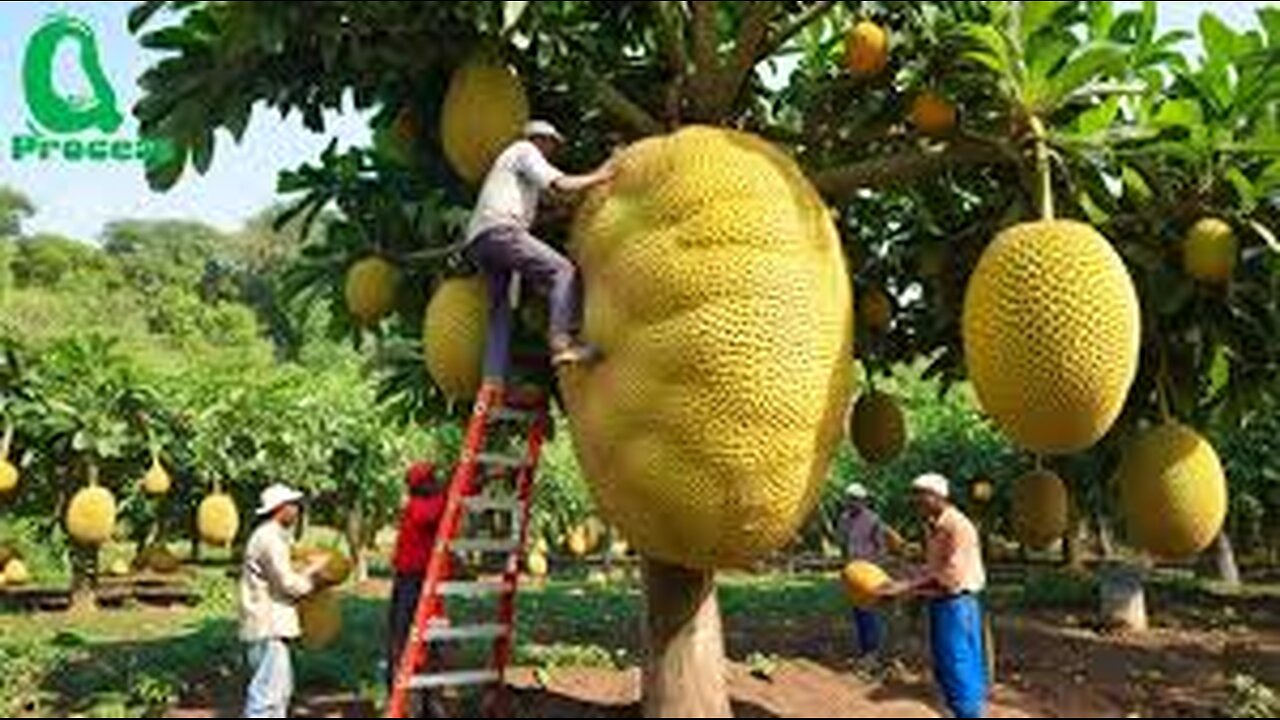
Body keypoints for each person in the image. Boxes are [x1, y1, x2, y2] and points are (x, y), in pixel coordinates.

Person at [463, 120, 616, 379]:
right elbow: (562, 185)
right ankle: (562, 343)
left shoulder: (511, 167)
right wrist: (604, 173)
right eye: (552, 144)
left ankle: (493, 379)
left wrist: (567, 208)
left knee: (501, 311)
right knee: (561, 271)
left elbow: (559, 199)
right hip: (502, 232)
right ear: (540, 140)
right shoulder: (525, 150)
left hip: (480, 240)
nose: (552, 151)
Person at [881, 473, 989, 718]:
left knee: (958, 658)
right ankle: (957, 707)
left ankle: (968, 712)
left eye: (920, 495)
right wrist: (908, 581)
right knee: (946, 659)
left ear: (937, 496)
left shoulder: (957, 525)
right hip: (943, 601)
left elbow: (952, 575)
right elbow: (934, 569)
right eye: (915, 496)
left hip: (957, 601)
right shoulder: (935, 525)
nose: (916, 501)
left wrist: (907, 587)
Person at [239, 483, 326, 718]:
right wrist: (314, 578)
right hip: (268, 627)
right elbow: (287, 584)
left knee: (279, 694)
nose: (297, 510)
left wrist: (307, 569)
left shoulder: (274, 536)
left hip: (272, 627)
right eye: (292, 505)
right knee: (266, 698)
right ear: (279, 508)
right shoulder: (269, 539)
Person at [387, 462, 447, 697]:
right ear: (421, 486)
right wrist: (453, 489)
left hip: (424, 579)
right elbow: (438, 510)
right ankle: (399, 696)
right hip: (411, 581)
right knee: (404, 637)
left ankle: (429, 697)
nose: (437, 482)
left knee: (431, 637)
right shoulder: (419, 506)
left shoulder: (427, 502)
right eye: (432, 479)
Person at [838, 482, 889, 659]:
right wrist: (844, 567)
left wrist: (877, 572)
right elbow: (842, 545)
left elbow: (881, 548)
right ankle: (864, 647)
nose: (853, 503)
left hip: (868, 572)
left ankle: (872, 650)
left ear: (864, 501)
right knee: (858, 610)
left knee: (869, 611)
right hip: (852, 571)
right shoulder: (844, 519)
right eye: (850, 499)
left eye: (857, 500)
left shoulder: (873, 519)